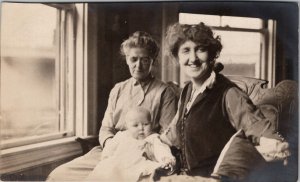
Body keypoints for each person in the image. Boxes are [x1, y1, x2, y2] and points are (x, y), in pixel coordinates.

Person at [159, 22, 290, 180]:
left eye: (200, 49)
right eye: (186, 50)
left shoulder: (230, 94)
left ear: (212, 54)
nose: (193, 58)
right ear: (177, 57)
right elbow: (176, 132)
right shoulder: (188, 91)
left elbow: (268, 136)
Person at [47, 31, 177, 181]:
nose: (138, 65)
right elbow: (106, 128)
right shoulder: (118, 89)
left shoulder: (165, 92)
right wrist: (112, 146)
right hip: (112, 151)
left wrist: (150, 149)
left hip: (145, 154)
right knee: (59, 175)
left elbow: (167, 134)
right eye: (134, 59)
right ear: (127, 60)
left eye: (145, 60)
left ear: (153, 61)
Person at [85, 107, 176, 181]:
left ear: (151, 124)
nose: (141, 128)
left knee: (151, 171)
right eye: (135, 125)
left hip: (140, 163)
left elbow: (161, 149)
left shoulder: (152, 138)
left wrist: (166, 158)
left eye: (145, 124)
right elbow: (110, 148)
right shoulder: (121, 136)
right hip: (118, 163)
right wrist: (106, 157)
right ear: (127, 126)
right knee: (105, 171)